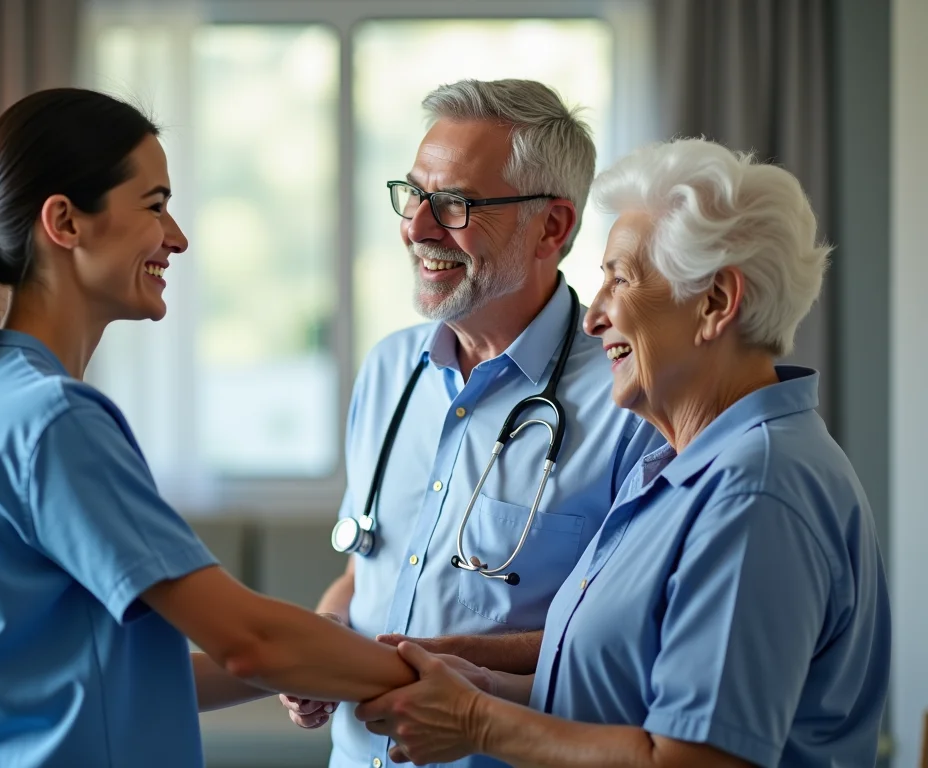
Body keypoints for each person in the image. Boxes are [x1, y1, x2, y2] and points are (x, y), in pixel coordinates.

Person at [0, 88, 417, 768]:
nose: (177, 237)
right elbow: (247, 639)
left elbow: (105, 681)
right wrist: (438, 683)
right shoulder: (52, 420)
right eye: (155, 206)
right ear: (64, 221)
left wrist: (321, 660)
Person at [353, 138, 891, 768]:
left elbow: (700, 760)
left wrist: (476, 721)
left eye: (620, 280)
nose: (593, 317)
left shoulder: (758, 490)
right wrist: (476, 677)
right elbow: (606, 685)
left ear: (716, 303)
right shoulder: (672, 470)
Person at [280, 78, 664, 768]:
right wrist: (328, 633)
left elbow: (627, 639)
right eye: (415, 194)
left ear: (553, 227)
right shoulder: (389, 370)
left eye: (455, 204)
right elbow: (365, 569)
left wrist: (438, 659)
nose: (418, 227)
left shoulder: (629, 401)